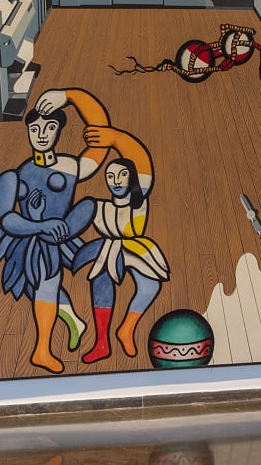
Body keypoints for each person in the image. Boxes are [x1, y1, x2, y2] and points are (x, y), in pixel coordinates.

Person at [0, 88, 111, 374]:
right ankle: (48, 344)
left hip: (62, 236)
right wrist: (41, 225)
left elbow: (102, 136)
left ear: (58, 131)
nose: (42, 134)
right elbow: (8, 220)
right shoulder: (16, 176)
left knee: (48, 285)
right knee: (45, 285)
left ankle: (59, 332)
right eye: (35, 128)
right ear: (28, 132)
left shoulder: (71, 166)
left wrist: (71, 96)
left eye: (49, 128)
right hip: (30, 240)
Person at [73, 125, 170, 363]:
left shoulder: (139, 197)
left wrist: (117, 138)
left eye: (122, 175)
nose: (115, 181)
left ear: (132, 177)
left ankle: (126, 329)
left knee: (150, 287)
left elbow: (141, 158)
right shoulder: (97, 206)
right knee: (101, 285)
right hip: (109, 249)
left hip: (137, 247)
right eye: (110, 176)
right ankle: (101, 342)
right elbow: (70, 225)